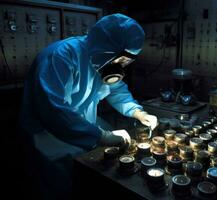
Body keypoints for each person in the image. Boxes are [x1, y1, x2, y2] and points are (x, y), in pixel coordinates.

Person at [19, 13, 158, 199]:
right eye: (121, 59)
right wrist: (102, 136)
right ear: (107, 48)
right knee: (57, 188)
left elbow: (116, 89)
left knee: (81, 181)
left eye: (127, 61)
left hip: (82, 130)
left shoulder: (103, 60)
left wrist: (138, 112)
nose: (121, 65)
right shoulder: (60, 56)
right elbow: (54, 110)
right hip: (48, 137)